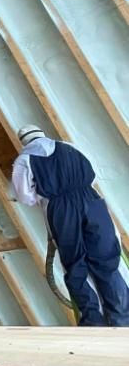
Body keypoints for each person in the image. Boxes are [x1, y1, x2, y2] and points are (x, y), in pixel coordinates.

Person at [11, 125, 129, 326]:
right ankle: (123, 320)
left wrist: (47, 193)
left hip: (61, 209)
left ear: (23, 141)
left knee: (75, 264)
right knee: (107, 259)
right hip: (91, 200)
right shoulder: (69, 146)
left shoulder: (24, 160)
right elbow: (92, 172)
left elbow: (25, 197)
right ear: (42, 133)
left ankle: (93, 322)